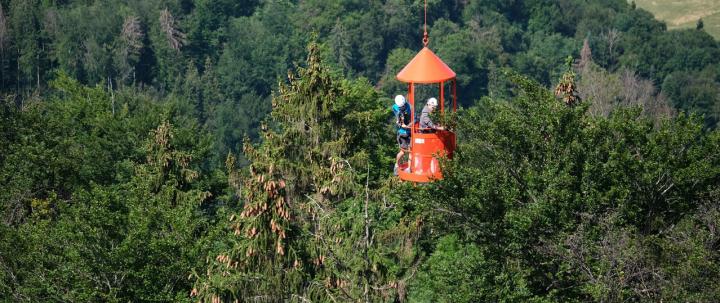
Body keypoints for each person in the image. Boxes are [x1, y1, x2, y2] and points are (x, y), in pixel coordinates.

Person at [392, 95, 411, 175]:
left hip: (408, 131)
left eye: (402, 107)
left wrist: (408, 125)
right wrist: (400, 122)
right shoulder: (396, 108)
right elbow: (398, 116)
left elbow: (410, 118)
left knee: (411, 151)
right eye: (400, 107)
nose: (402, 108)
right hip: (402, 133)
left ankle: (409, 168)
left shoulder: (408, 107)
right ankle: (397, 165)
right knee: (403, 151)